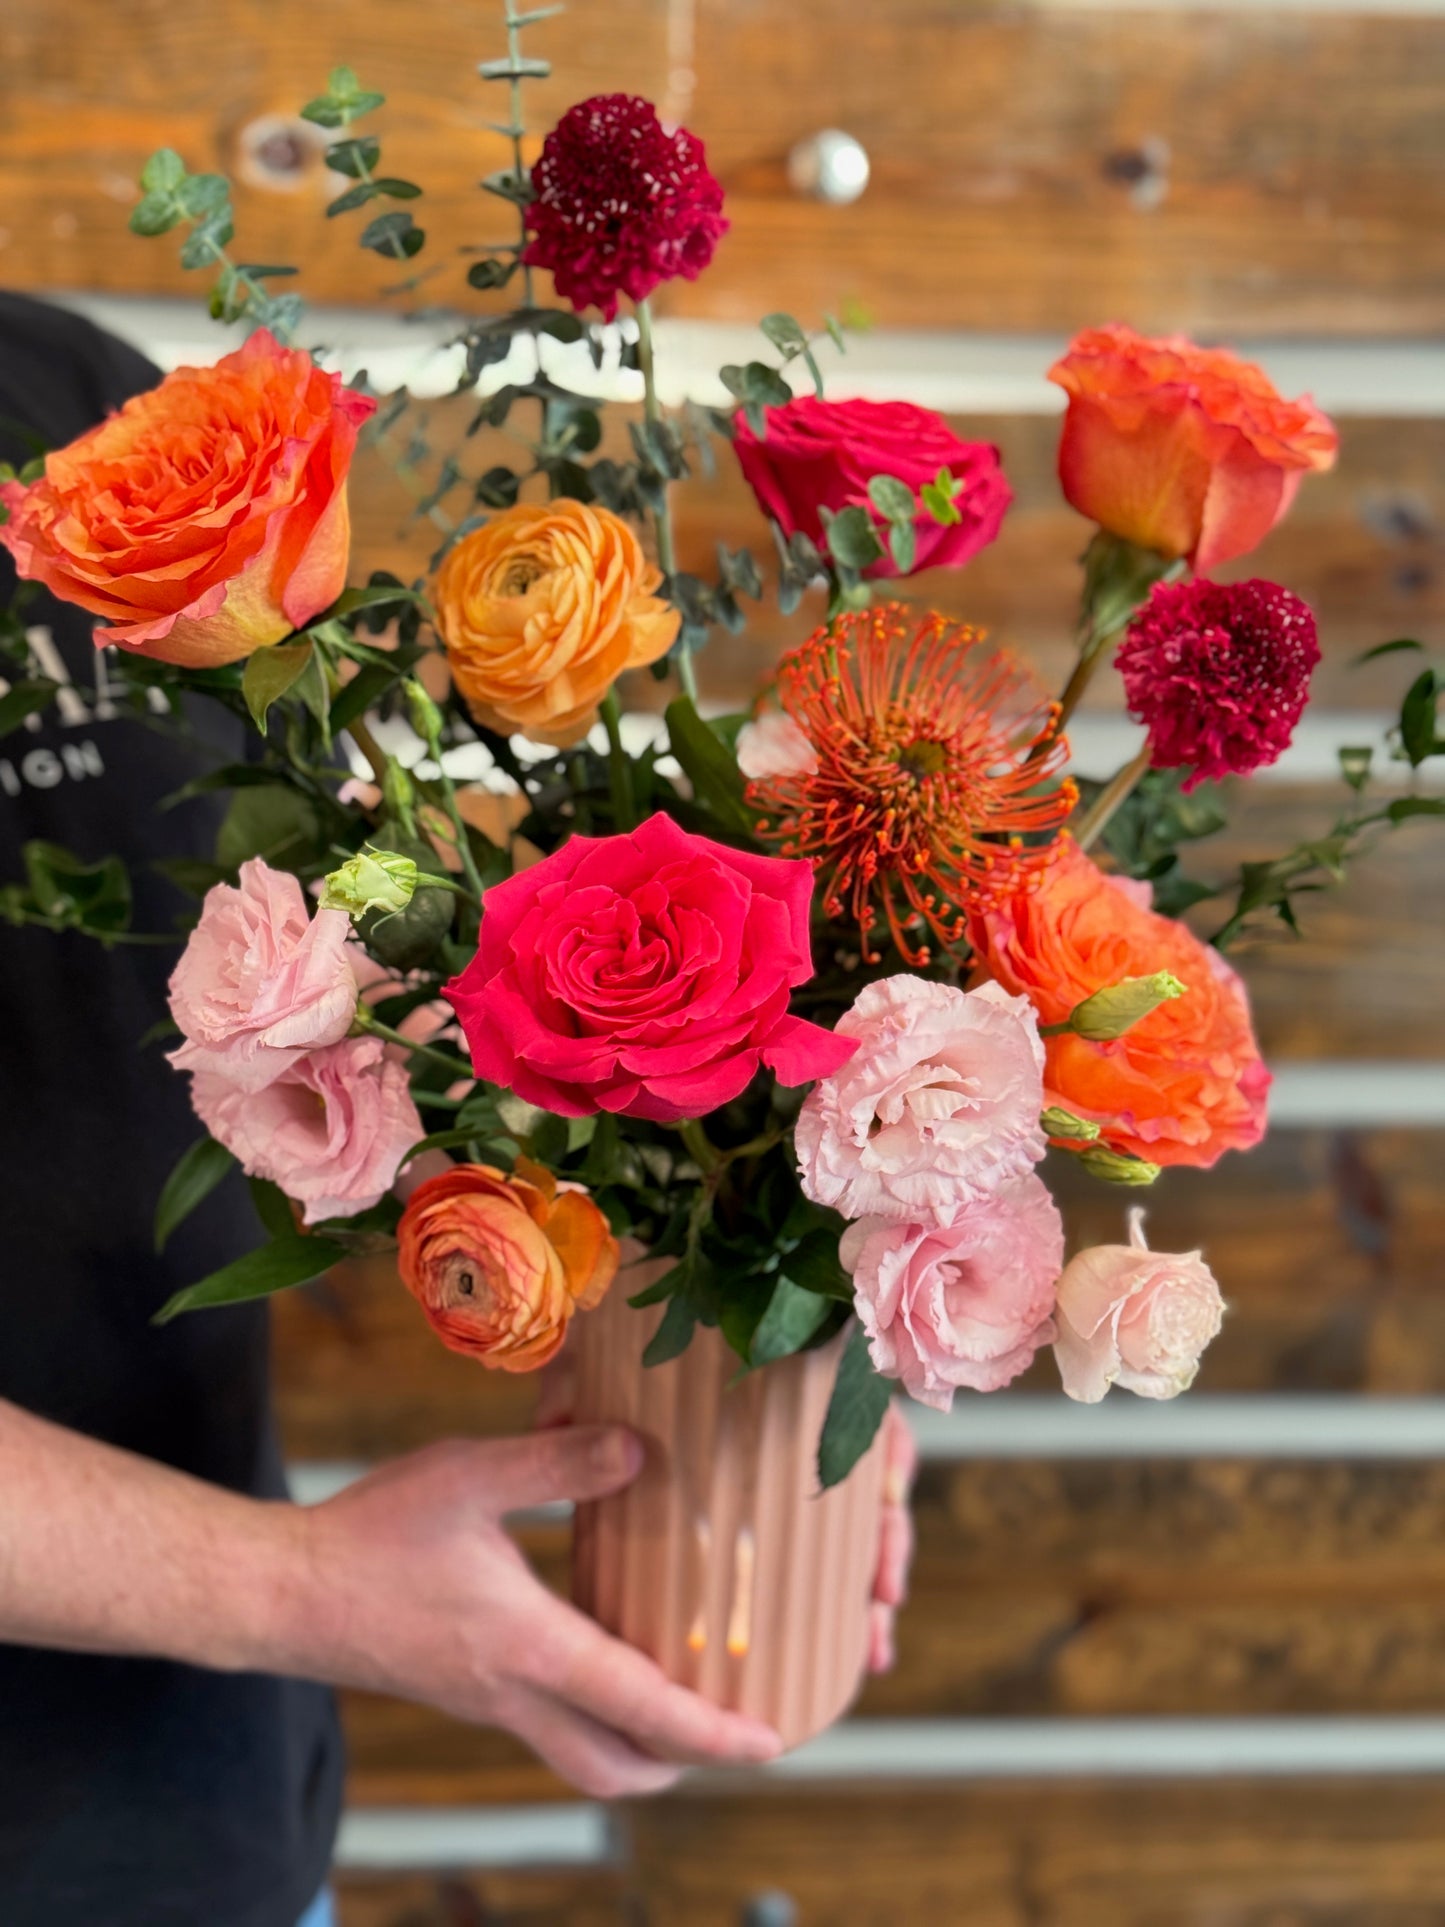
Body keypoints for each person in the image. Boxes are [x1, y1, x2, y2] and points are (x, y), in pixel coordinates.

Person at [0, 294, 915, 1927]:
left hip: (216, 1815)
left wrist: (750, 1278)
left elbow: (333, 864)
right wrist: (292, 1590)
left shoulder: (71, 415)